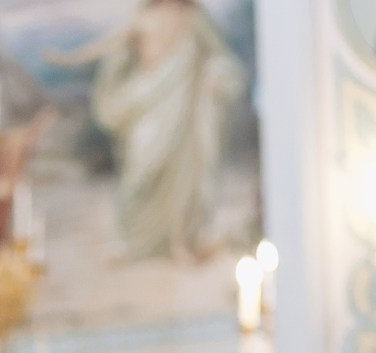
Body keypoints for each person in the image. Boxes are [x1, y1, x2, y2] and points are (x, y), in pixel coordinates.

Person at [51, 0, 245, 263]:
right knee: (139, 172)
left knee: (183, 176)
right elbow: (108, 44)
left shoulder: (193, 16)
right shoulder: (143, 16)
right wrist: (67, 58)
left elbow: (218, 56)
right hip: (148, 101)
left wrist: (216, 75)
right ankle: (129, 241)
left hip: (184, 106)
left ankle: (180, 243)